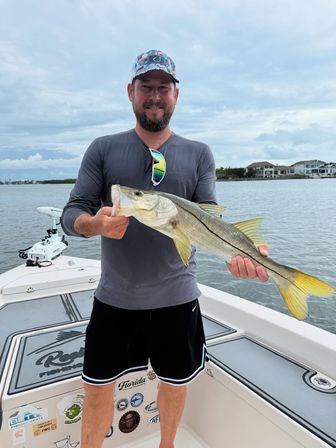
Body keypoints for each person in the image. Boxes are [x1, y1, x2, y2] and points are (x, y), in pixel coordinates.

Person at [61, 49, 269, 448]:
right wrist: (95, 224)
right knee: (97, 388)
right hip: (115, 297)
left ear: (176, 95)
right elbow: (73, 212)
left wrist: (239, 252)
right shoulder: (102, 148)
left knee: (174, 386)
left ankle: (167, 445)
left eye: (163, 88)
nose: (154, 96)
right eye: (146, 87)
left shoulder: (199, 153)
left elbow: (210, 220)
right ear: (130, 92)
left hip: (177, 298)